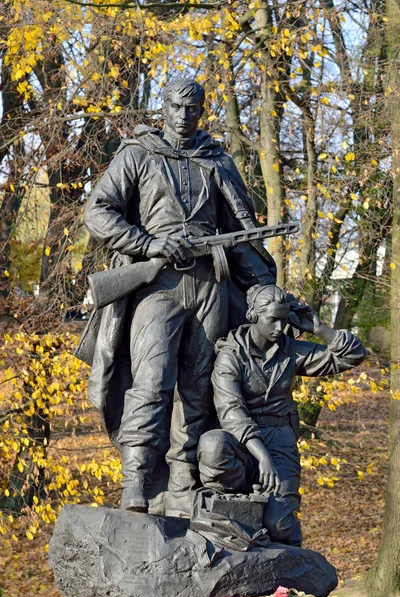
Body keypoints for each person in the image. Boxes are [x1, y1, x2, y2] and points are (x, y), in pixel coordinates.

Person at [76, 78, 279, 517]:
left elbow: (243, 234)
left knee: (199, 388)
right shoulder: (137, 154)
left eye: (193, 108)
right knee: (150, 383)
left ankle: (184, 480)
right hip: (158, 286)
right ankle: (136, 478)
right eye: (176, 106)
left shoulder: (218, 161)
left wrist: (263, 286)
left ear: (202, 111)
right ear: (162, 106)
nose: (184, 116)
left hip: (211, 284)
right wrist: (147, 243)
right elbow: (97, 212)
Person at [197, 284, 367, 545]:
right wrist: (261, 456)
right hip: (240, 441)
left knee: (280, 528)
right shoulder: (231, 356)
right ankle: (236, 498)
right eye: (273, 320)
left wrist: (319, 329)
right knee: (212, 445)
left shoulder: (291, 351)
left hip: (279, 440)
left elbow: (353, 355)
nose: (279, 328)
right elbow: (231, 410)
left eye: (284, 320)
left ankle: (288, 576)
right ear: (253, 316)